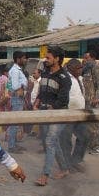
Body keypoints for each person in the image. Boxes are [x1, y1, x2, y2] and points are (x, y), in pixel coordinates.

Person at [33, 46, 71, 186]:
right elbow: (42, 91)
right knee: (51, 142)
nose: (46, 60)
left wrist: (51, 107)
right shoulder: (45, 73)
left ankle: (45, 175)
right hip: (45, 113)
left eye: (48, 58)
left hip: (59, 114)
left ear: (57, 59)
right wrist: (37, 102)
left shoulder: (64, 78)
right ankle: (64, 169)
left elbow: (62, 100)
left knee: (49, 141)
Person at [59, 59, 88, 175]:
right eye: (78, 68)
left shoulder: (79, 78)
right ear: (71, 67)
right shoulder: (65, 78)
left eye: (81, 68)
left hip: (80, 113)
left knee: (84, 137)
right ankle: (67, 164)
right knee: (66, 140)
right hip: (68, 114)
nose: (81, 70)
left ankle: (75, 160)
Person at [82, 50, 99, 155]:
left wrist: (97, 98)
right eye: (84, 58)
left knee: (94, 125)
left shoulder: (96, 67)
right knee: (88, 125)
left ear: (93, 58)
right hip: (87, 101)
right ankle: (91, 145)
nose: (85, 60)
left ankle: (98, 147)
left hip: (94, 101)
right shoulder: (86, 69)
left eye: (87, 58)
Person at [7, 51, 29, 153]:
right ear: (18, 59)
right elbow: (15, 86)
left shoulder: (17, 70)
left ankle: (14, 144)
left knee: (16, 122)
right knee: (14, 123)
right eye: (23, 58)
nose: (25, 60)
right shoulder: (15, 71)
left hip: (18, 98)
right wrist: (24, 85)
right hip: (17, 98)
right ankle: (12, 146)